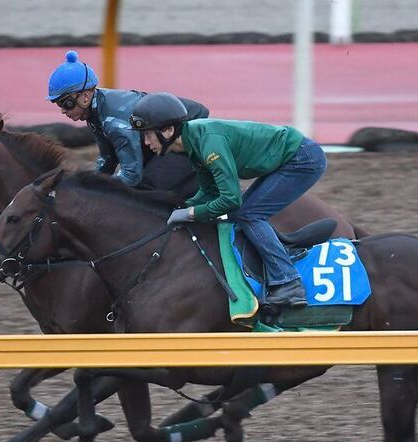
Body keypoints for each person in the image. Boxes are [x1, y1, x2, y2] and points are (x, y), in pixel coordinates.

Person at [130, 92, 329, 308]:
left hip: (302, 159)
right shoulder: (192, 143)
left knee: (249, 215)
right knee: (241, 215)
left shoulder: (208, 143)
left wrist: (191, 213)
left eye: (148, 134)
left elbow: (230, 199)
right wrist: (183, 207)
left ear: (168, 131)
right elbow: (208, 190)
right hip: (288, 158)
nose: (145, 142)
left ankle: (289, 283)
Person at [47, 50, 209, 196]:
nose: (62, 111)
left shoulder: (114, 122)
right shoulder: (94, 113)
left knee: (146, 189)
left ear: (85, 97)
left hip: (186, 130)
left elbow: (132, 175)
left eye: (65, 103)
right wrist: (87, 184)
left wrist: (96, 190)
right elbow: (108, 159)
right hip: (158, 136)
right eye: (58, 105)